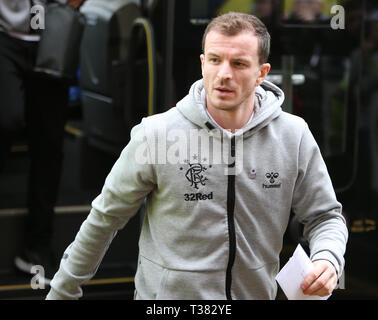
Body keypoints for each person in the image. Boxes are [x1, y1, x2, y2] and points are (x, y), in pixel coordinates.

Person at [46, 12, 348, 300]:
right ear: (203, 63)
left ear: (261, 73)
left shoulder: (292, 135)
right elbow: (105, 219)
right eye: (215, 60)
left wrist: (328, 259)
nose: (224, 74)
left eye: (239, 64)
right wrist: (62, 291)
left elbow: (325, 217)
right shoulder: (156, 134)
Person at [0, 0, 83, 283]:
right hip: (5, 38)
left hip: (54, 35)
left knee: (49, 143)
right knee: (6, 120)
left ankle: (35, 249)